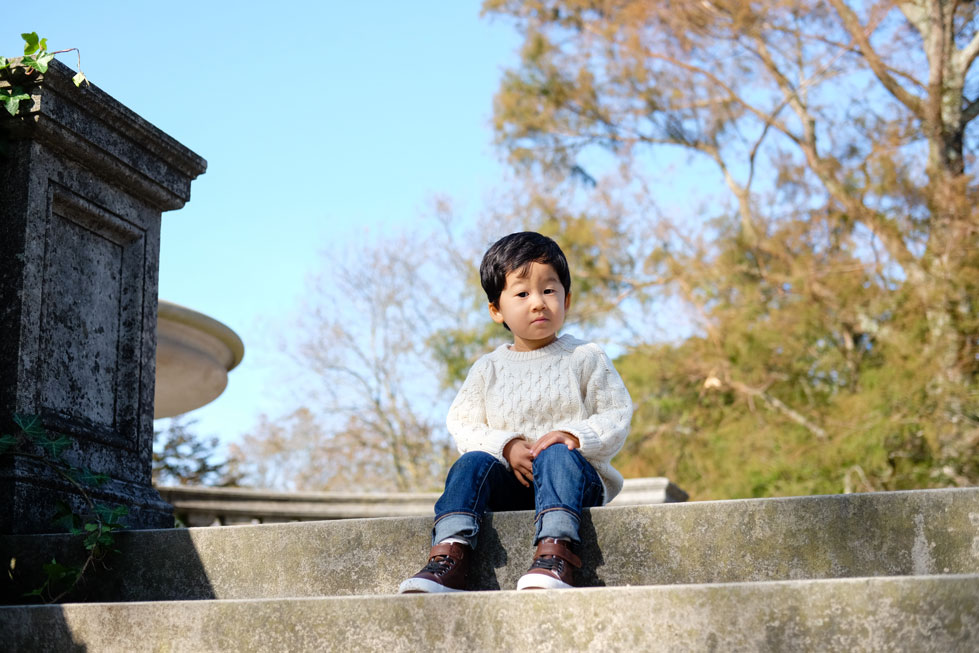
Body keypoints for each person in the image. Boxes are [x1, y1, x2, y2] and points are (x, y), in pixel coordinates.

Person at [398, 231, 633, 593]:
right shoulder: (487, 368)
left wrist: (572, 436)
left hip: (574, 480)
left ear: (566, 300)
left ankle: (556, 553)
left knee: (556, 452)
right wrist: (506, 446)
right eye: (522, 294)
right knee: (471, 463)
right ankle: (449, 555)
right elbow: (462, 423)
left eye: (549, 291)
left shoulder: (586, 356)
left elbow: (616, 414)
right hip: (511, 485)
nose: (538, 303)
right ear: (496, 310)